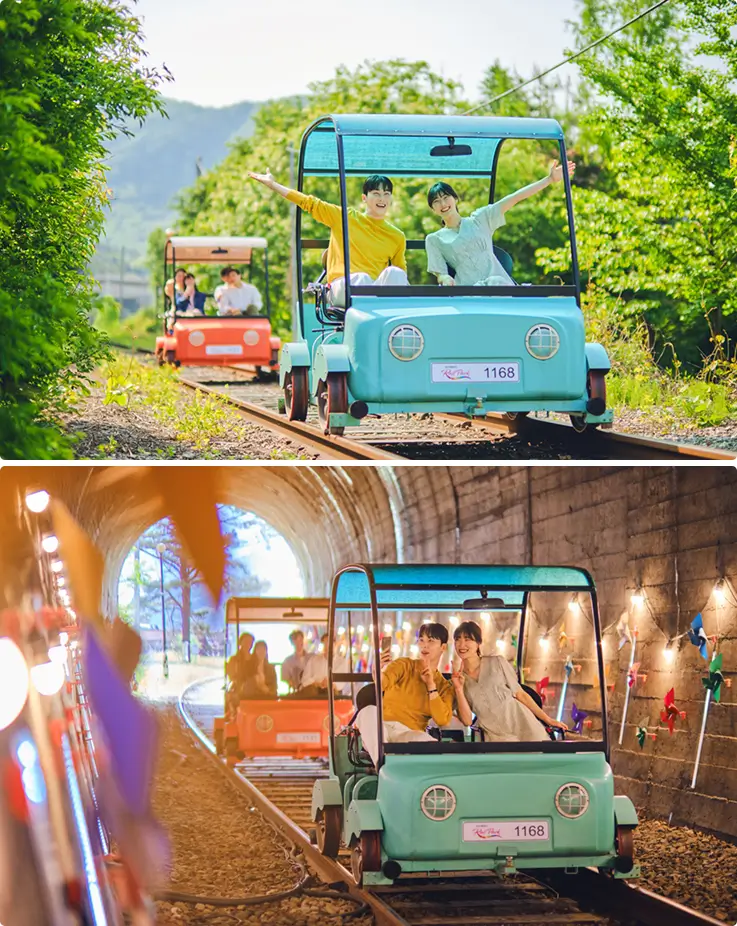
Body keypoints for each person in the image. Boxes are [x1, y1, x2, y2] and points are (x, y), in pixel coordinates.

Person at [247, 169, 408, 307]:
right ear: (364, 198)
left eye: (386, 194)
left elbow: (400, 276)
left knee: (396, 273)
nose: (382, 199)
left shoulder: (397, 236)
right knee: (361, 279)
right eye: (376, 194)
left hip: (374, 292)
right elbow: (309, 203)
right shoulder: (344, 217)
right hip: (342, 287)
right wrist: (273, 185)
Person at [425, 160, 576, 287]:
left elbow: (515, 198)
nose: (443, 203)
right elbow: (440, 273)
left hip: (499, 289)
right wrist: (445, 279)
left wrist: (549, 179)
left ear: (455, 198)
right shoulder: (434, 239)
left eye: (445, 197)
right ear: (433, 209)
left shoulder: (480, 219)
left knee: (496, 284)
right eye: (436, 201)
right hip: (468, 293)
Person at [354, 623, 453, 767]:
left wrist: (431, 686)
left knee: (427, 741)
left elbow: (442, 719)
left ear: (443, 647)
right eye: (421, 640)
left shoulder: (444, 686)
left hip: (408, 733)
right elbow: (383, 683)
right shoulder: (404, 665)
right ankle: (382, 767)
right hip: (382, 727)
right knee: (367, 711)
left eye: (431, 641)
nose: (425, 645)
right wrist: (377, 669)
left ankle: (386, 767)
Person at [451, 620, 568, 741]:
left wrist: (548, 720)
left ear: (478, 643)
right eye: (457, 639)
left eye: (467, 639)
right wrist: (458, 689)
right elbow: (467, 721)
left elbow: (520, 694)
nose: (461, 644)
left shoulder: (497, 662)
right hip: (493, 735)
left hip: (521, 723)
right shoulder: (457, 679)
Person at [226, 632, 254, 712]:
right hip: (238, 688)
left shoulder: (254, 659)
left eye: (250, 642)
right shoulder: (234, 659)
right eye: (245, 642)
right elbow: (231, 675)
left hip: (252, 689)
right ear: (240, 643)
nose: (248, 644)